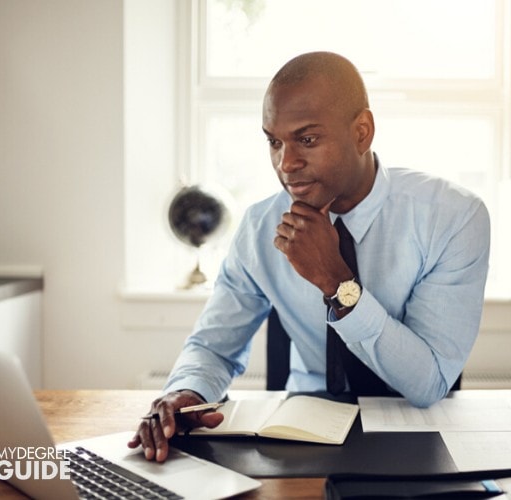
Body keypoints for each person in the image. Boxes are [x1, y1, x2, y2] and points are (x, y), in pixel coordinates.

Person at [129, 51, 490, 462]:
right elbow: (214, 347)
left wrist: (337, 284)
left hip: (420, 435)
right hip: (299, 435)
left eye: (307, 139)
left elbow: (428, 385)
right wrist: (186, 393)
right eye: (274, 142)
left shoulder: (453, 217)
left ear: (362, 132)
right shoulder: (259, 228)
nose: (286, 164)